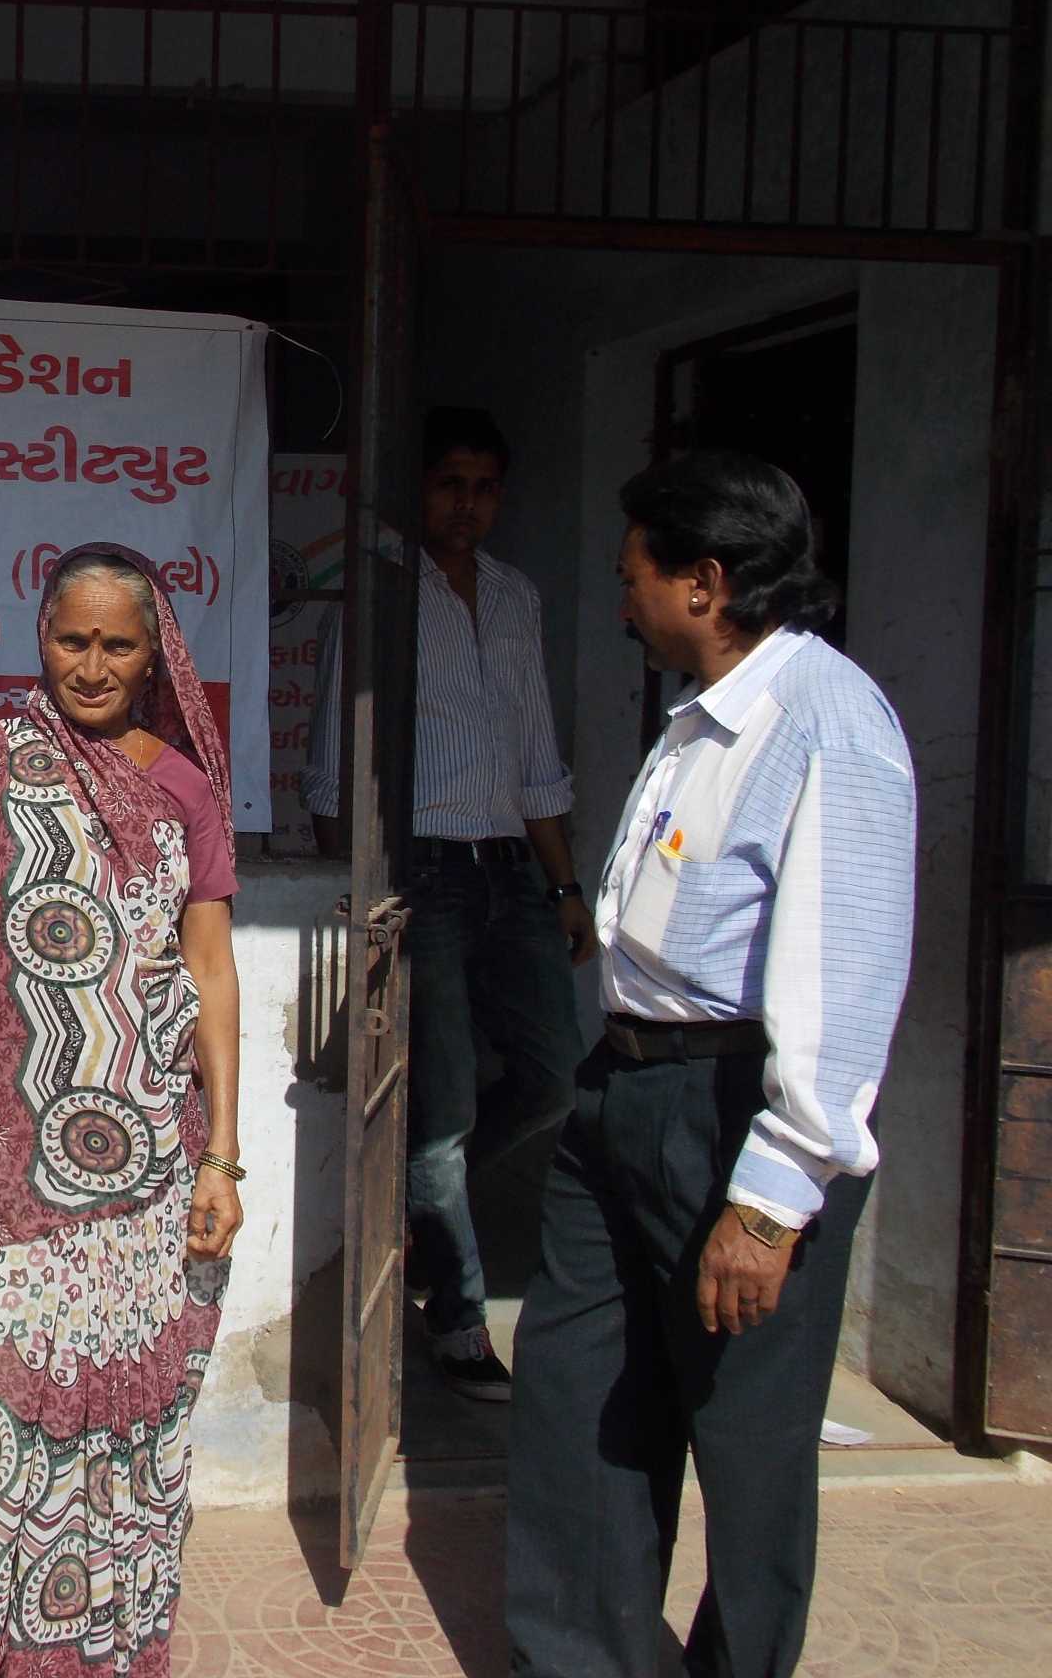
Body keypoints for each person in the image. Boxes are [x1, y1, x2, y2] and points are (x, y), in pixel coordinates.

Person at [506, 450, 915, 1677]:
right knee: (579, 1401)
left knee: (744, 1436)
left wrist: (773, 1200)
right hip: (624, 1087)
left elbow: (845, 984)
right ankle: (581, 1658)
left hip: (740, 1114)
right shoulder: (700, 713)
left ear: (706, 579)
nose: (620, 597)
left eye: (634, 575)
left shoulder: (827, 724)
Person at [0, 543, 243, 1678]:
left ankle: (87, 1647)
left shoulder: (181, 789)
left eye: (116, 643)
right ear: (41, 638)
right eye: (71, 639)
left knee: (122, 1420)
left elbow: (212, 971)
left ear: (154, 654)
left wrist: (225, 1155)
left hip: (146, 1180)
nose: (91, 664)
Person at [303, 406, 595, 1399]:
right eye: (448, 484)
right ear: (419, 489)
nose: (465, 505)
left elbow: (536, 753)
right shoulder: (382, 593)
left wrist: (564, 884)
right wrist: (354, 888)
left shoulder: (516, 596)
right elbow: (338, 756)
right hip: (418, 869)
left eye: (483, 487)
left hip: (510, 869)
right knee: (448, 1104)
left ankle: (422, 1212)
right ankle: (461, 1314)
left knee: (553, 1078)